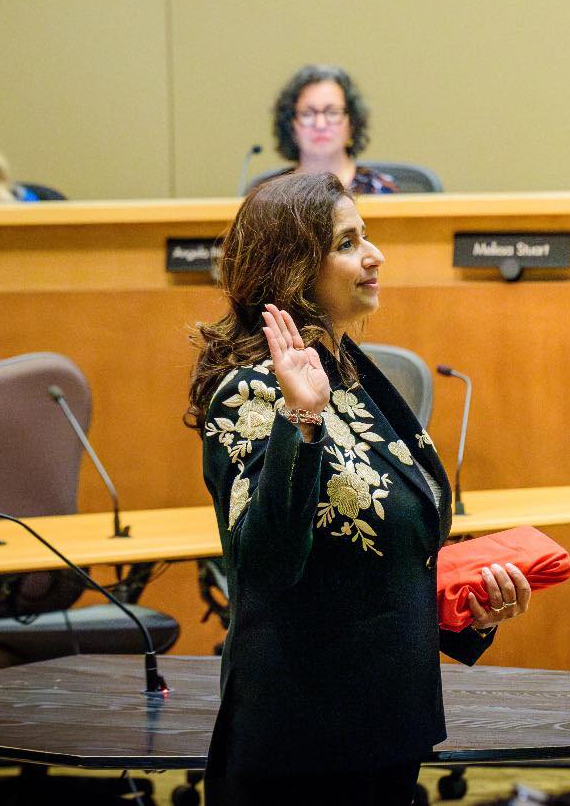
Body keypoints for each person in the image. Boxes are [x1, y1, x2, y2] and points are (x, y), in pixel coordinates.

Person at [188, 171, 529, 804]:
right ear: (293, 269)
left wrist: (468, 612)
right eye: (347, 243)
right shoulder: (253, 394)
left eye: (364, 236)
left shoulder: (353, 376)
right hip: (300, 743)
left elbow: (388, 549)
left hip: (384, 728)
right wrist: (302, 418)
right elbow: (265, 564)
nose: (374, 256)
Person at [269, 63, 398, 194]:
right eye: (307, 114)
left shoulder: (382, 191)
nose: (320, 125)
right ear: (290, 124)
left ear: (352, 122)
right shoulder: (270, 195)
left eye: (332, 113)